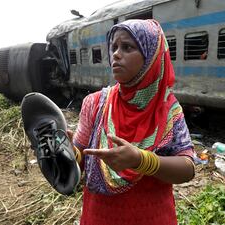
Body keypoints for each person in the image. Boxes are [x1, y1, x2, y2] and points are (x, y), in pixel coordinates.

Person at [71, 19, 195, 225]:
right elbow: (81, 161)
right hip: (100, 217)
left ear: (151, 56)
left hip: (152, 217)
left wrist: (141, 161)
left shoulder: (169, 111)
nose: (116, 55)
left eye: (127, 47)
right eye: (114, 47)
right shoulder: (94, 104)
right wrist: (68, 153)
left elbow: (188, 168)